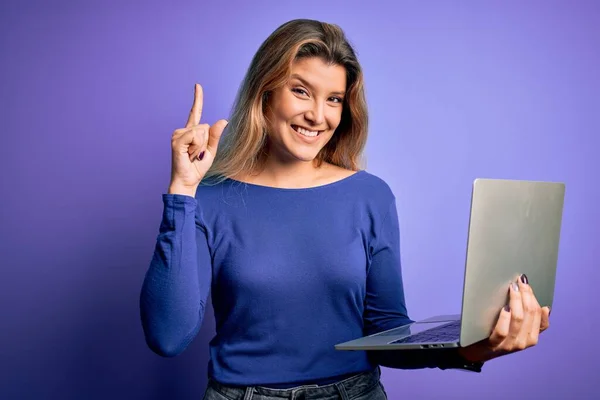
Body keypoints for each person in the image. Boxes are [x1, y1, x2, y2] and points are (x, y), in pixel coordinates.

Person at [140, 19, 551, 400]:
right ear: (264, 93)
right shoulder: (208, 196)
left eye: (333, 99)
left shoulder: (370, 196)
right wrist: (182, 190)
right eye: (300, 90)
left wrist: (476, 348)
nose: (318, 116)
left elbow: (387, 335)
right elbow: (168, 336)